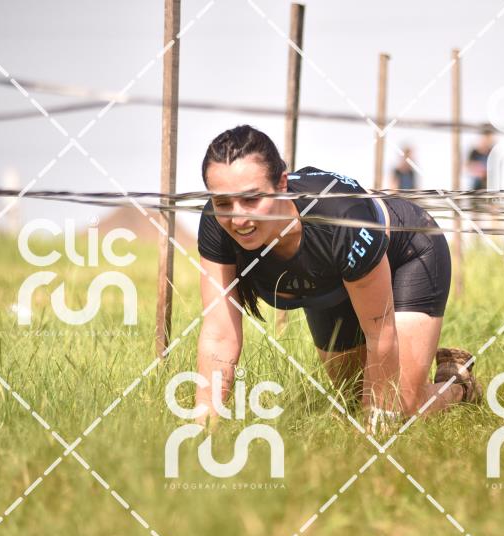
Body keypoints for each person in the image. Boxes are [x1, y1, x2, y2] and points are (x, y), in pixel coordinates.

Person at [195, 125, 479, 432]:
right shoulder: (216, 225)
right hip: (332, 281)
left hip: (406, 252)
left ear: (282, 184)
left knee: (400, 408)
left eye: (251, 199)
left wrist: (378, 430)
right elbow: (220, 335)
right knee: (355, 398)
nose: (238, 218)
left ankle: (459, 386)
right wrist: (203, 428)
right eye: (223, 203)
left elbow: (380, 333)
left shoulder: (340, 219)